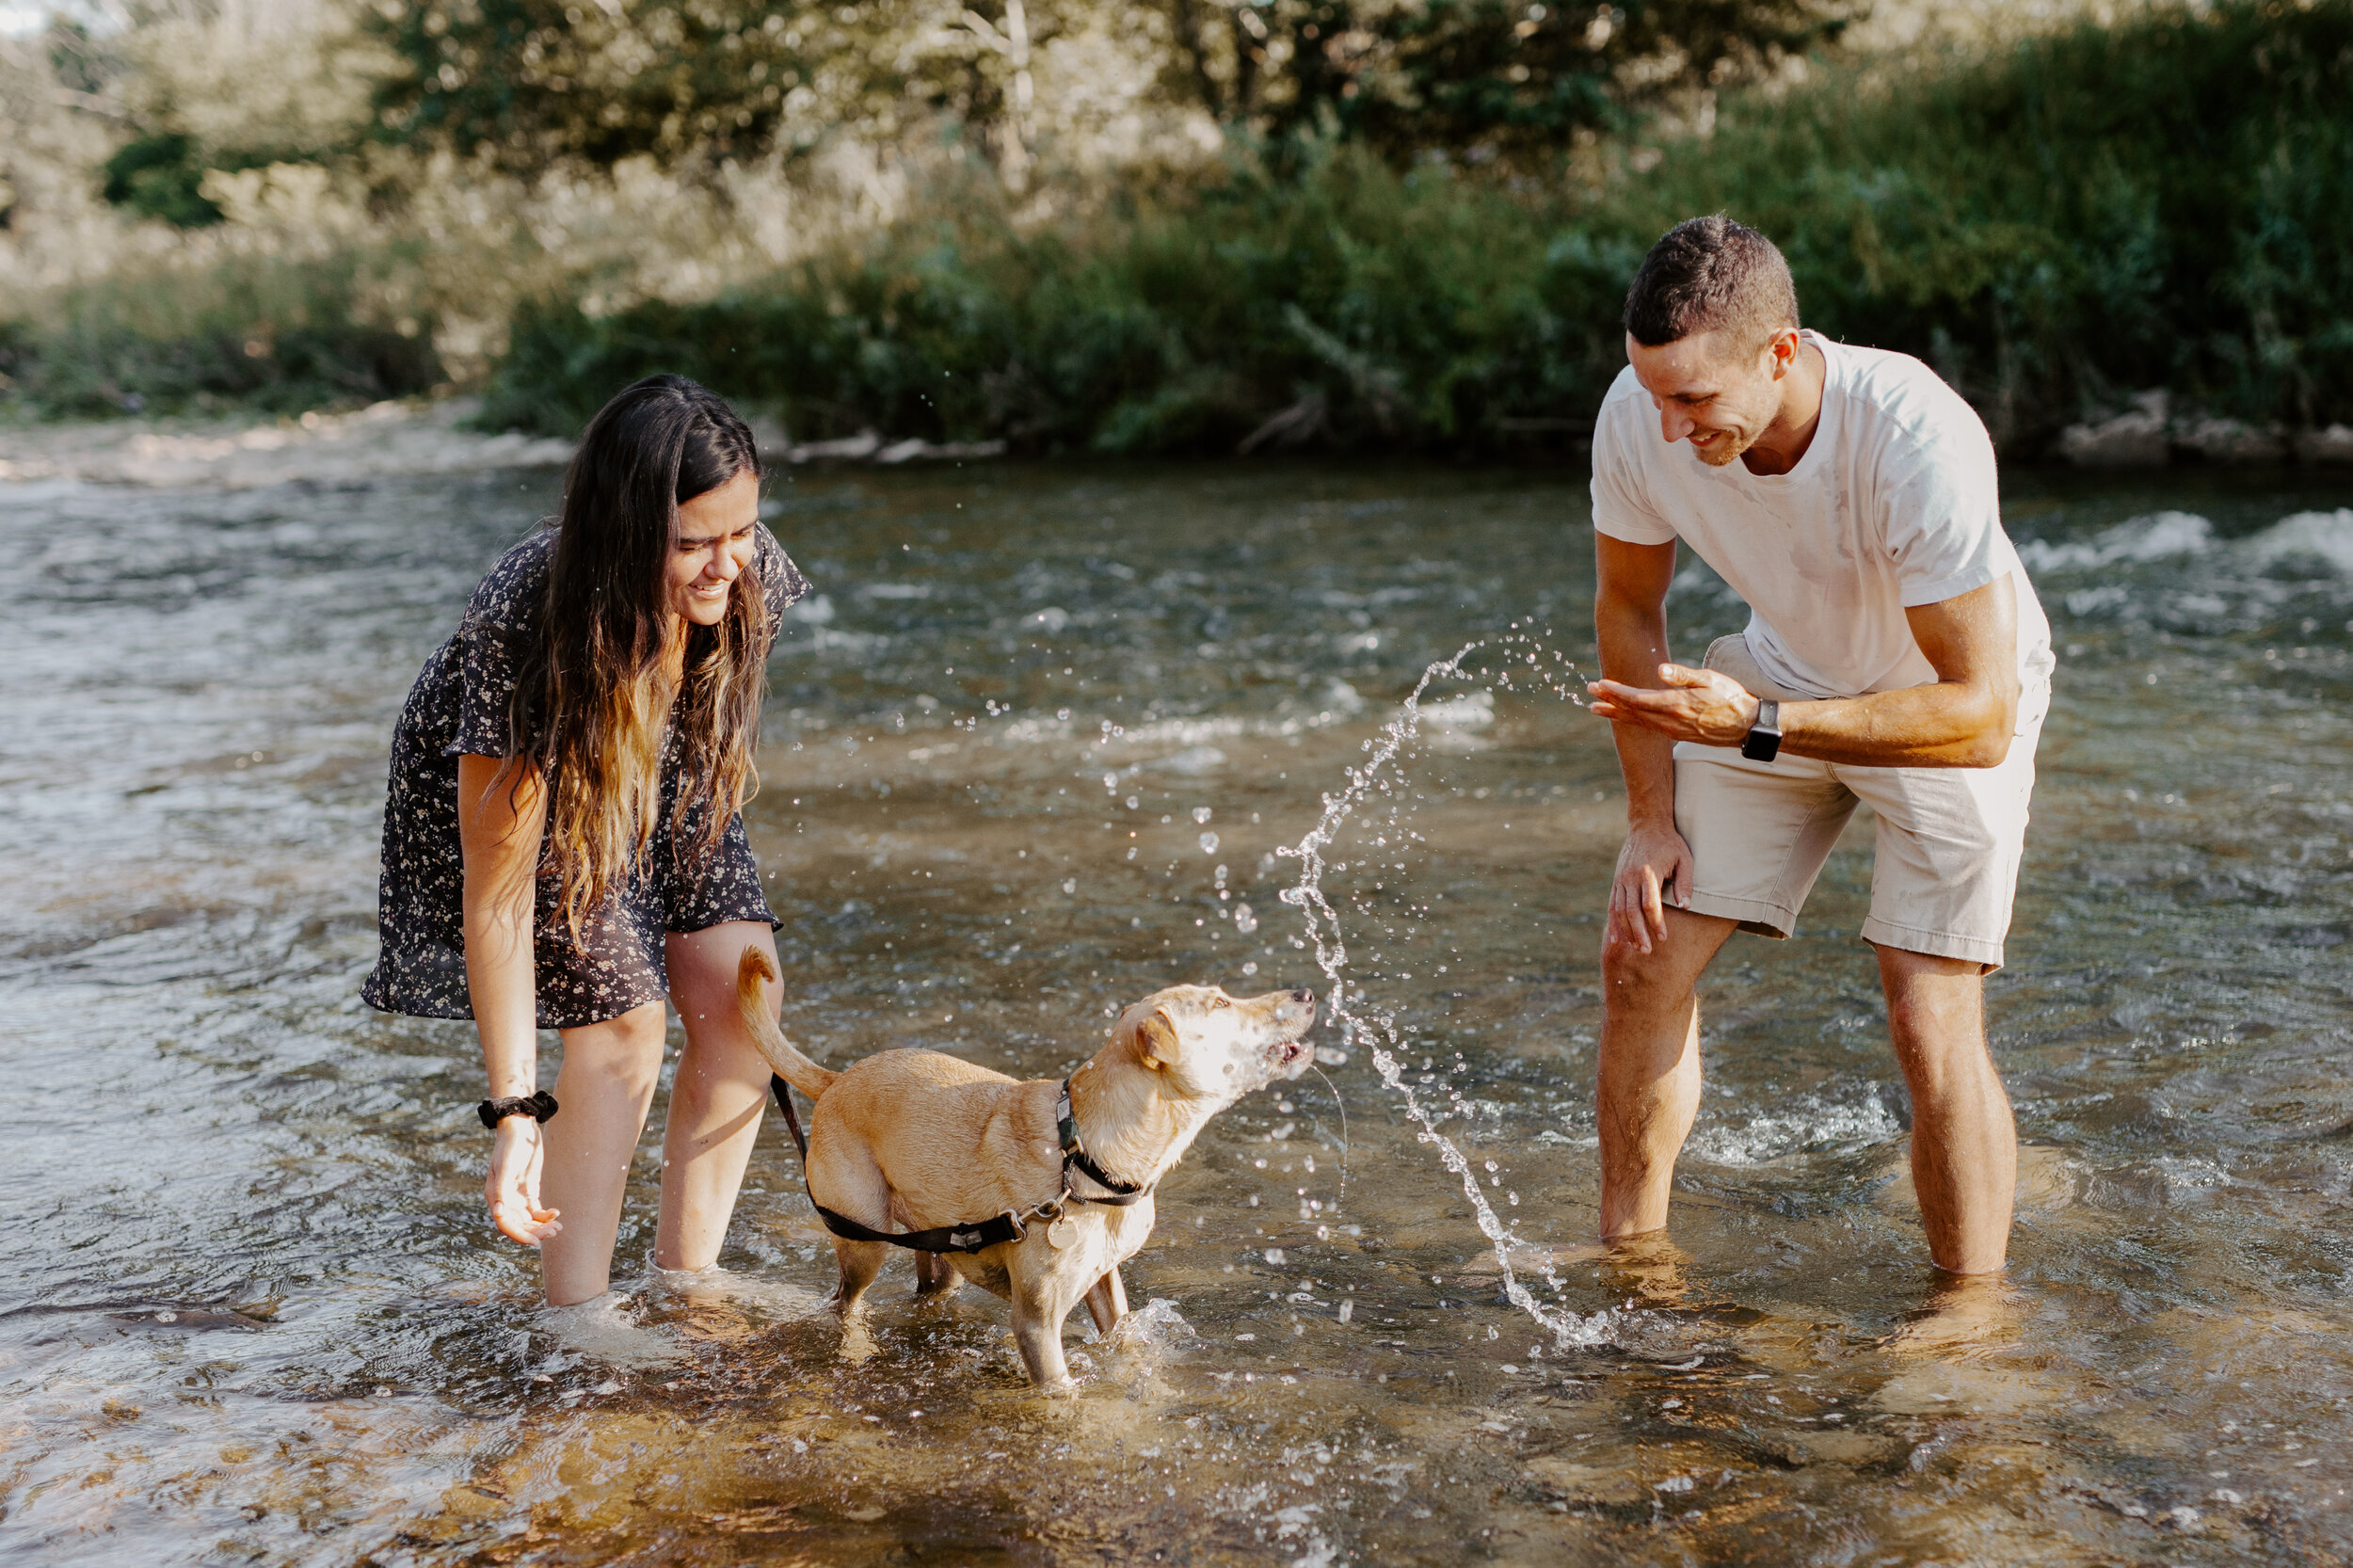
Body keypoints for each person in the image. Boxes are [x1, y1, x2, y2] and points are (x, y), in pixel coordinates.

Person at [1584, 216, 2054, 1276]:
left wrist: (1753, 724)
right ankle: (1630, 1271)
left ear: (1781, 353)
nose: (1665, 428)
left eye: (1694, 401)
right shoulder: (1640, 413)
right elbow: (1626, 607)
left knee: (1924, 1006)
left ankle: (1967, 1323)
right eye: (1652, 393)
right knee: (1641, 948)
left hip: (1938, 705)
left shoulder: (1912, 434)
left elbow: (1977, 711)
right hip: (1780, 673)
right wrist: (1649, 820)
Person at [362, 375, 809, 1306]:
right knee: (621, 1028)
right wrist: (515, 1111)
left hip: (665, 748)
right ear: (624, 533)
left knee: (742, 993)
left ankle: (689, 1282)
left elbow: (705, 740)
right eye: (693, 543)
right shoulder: (522, 627)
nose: (732, 564)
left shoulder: (740, 570)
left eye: (743, 529)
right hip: (541, 757)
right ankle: (576, 1320)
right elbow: (500, 897)